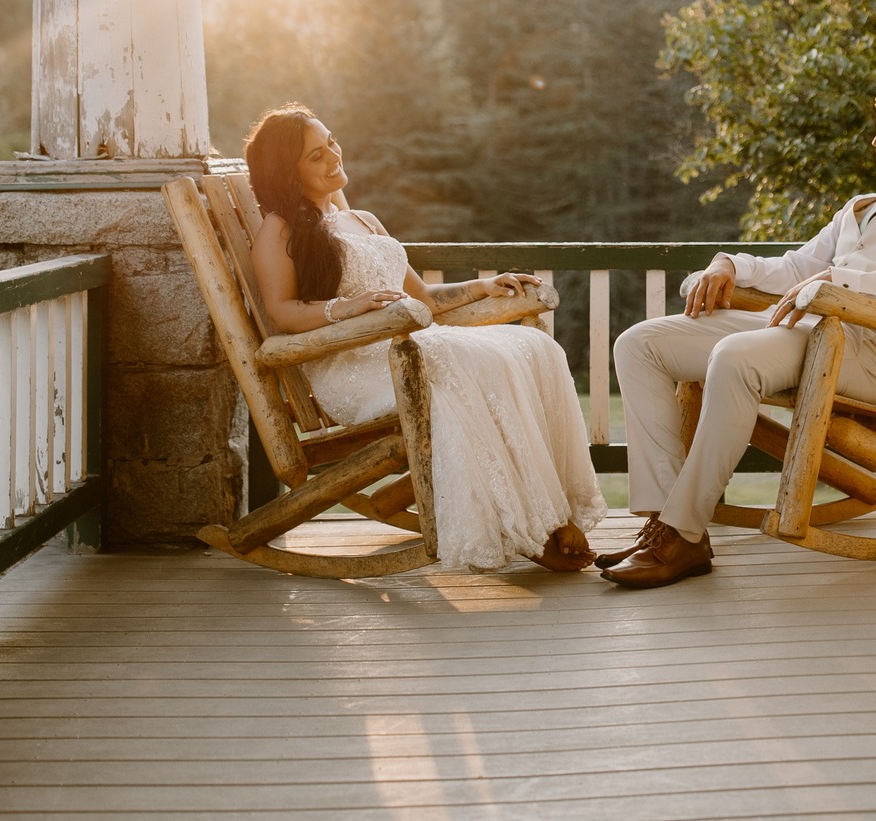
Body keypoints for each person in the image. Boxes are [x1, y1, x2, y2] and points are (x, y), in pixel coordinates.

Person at [602, 80, 876, 589]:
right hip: (807, 330)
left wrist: (837, 280)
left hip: (870, 352)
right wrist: (729, 264)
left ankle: (684, 531)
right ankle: (664, 523)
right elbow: (796, 266)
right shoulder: (864, 205)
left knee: (736, 356)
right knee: (640, 344)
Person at [243, 104, 605, 574]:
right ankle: (536, 527)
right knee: (466, 362)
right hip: (353, 364)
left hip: (404, 347)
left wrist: (483, 286)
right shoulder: (281, 230)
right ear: (288, 173)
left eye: (331, 141)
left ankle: (545, 515)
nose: (334, 155)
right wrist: (345, 308)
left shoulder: (364, 221)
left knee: (533, 347)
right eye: (316, 155)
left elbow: (424, 298)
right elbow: (283, 311)